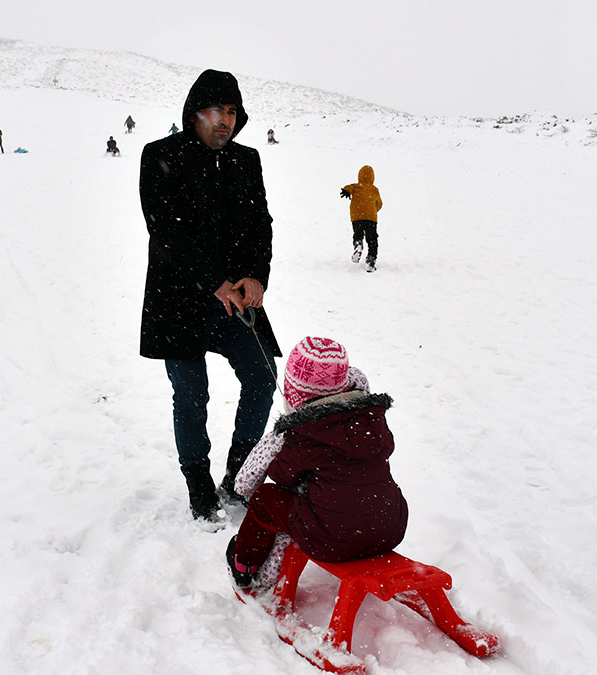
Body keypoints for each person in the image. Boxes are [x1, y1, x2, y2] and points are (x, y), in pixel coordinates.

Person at [139, 69, 281, 522]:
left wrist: (256, 276)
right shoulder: (160, 155)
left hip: (235, 299)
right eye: (216, 110)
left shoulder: (246, 160)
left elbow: (260, 224)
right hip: (177, 298)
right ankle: (198, 483)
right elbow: (165, 230)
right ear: (194, 113)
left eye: (233, 111)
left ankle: (239, 473)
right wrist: (214, 280)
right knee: (191, 393)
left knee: (262, 376)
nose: (225, 120)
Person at [225, 337, 407, 590]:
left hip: (329, 540)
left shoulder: (304, 434)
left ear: (295, 393)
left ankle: (245, 564)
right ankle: (362, 527)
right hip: (390, 529)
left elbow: (281, 476)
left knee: (265, 499)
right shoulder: (371, 421)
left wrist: (282, 449)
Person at [340, 165, 384, 272]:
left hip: (357, 216)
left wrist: (346, 191)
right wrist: (373, 210)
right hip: (371, 218)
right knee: (372, 239)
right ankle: (370, 261)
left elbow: (348, 188)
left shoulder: (355, 186)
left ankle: (358, 245)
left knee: (358, 234)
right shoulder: (375, 190)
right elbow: (379, 204)